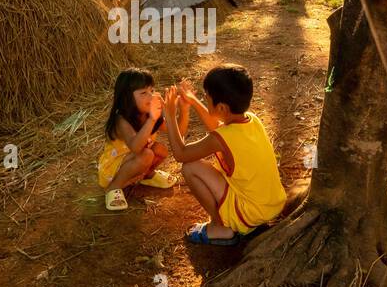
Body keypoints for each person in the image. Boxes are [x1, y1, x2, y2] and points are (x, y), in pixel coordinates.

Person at [162, 63, 286, 244]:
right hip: (271, 205)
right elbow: (218, 127)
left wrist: (171, 115)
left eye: (206, 97)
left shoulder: (222, 137)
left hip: (249, 213)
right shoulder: (252, 120)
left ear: (221, 108)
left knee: (190, 168)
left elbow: (181, 154)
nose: (204, 99)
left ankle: (220, 227)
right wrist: (193, 101)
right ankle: (232, 222)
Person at [98, 68, 178, 211]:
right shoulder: (121, 119)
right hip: (114, 168)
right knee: (147, 154)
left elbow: (179, 131)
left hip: (135, 159)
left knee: (160, 150)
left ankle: (147, 175)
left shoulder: (147, 114)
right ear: (127, 97)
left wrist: (181, 110)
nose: (151, 96)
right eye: (143, 93)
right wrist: (152, 119)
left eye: (152, 91)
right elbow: (135, 147)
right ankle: (113, 188)